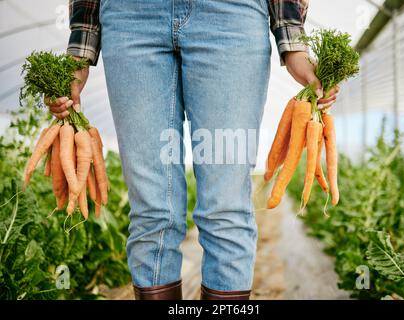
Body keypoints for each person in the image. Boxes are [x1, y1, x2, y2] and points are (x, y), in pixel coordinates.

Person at [47, 0, 338, 300]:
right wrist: (80, 49)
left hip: (230, 14)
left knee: (225, 210)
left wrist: (293, 40)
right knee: (151, 213)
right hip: (129, 17)